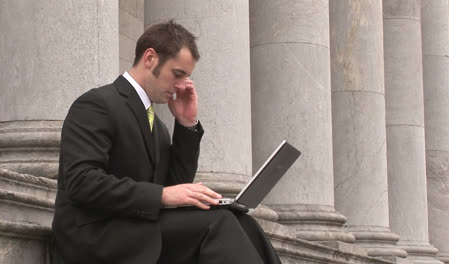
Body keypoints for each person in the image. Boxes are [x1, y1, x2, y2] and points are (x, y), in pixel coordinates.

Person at [52, 20, 282, 264]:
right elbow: (82, 181)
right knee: (218, 222)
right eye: (178, 74)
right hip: (97, 236)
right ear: (150, 58)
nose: (182, 85)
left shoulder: (157, 126)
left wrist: (186, 123)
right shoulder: (97, 103)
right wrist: (162, 195)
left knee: (242, 221)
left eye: (187, 77)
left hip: (138, 228)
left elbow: (176, 186)